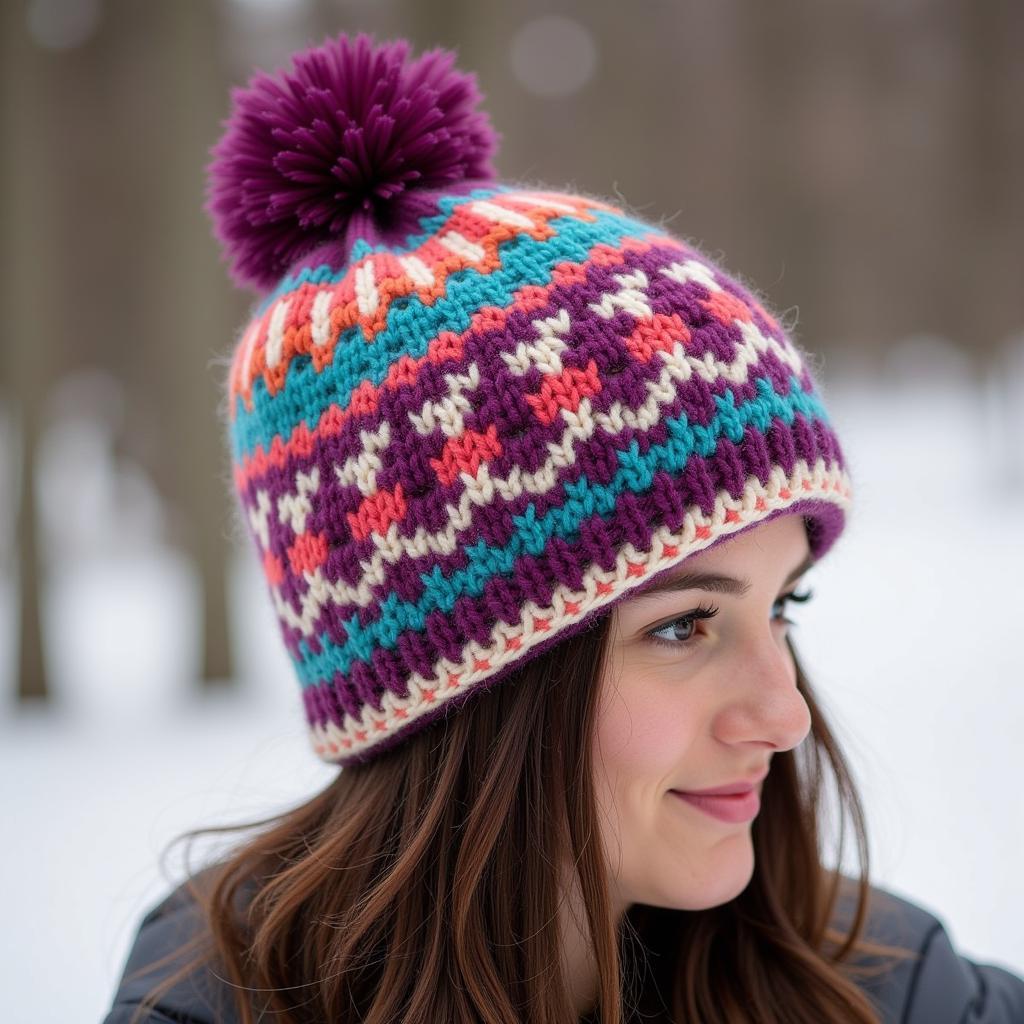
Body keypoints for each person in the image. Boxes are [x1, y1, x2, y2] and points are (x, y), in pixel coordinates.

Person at [102, 31, 1024, 1024]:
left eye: (783, 605)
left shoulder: (883, 986)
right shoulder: (214, 1004)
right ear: (456, 693)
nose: (785, 716)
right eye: (682, 626)